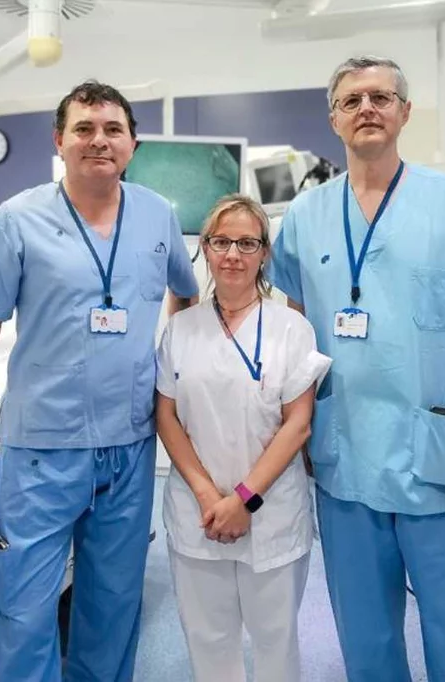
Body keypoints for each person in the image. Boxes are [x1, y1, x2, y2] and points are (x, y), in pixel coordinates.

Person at [0, 80, 199, 681]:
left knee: (113, 606)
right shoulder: (17, 221)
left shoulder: (159, 214)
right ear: (59, 141)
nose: (99, 140)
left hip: (129, 446)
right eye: (84, 128)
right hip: (42, 450)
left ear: (132, 144)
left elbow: (185, 298)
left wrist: (172, 383)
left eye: (113, 129)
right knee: (25, 611)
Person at [267, 56, 445, 682]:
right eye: (353, 99)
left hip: (440, 459)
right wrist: (297, 428)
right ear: (333, 118)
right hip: (345, 457)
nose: (368, 108)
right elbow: (294, 328)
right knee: (365, 638)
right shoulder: (305, 217)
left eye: (382, 97)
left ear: (404, 113)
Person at [155, 195, 331, 682]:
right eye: (221, 241)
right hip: (198, 512)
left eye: (247, 243)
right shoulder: (180, 330)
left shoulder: (292, 329)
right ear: (206, 250)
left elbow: (299, 423)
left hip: (271, 514)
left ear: (264, 253)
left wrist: (244, 499)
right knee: (208, 641)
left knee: (275, 642)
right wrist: (212, 497)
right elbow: (166, 416)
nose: (233, 253)